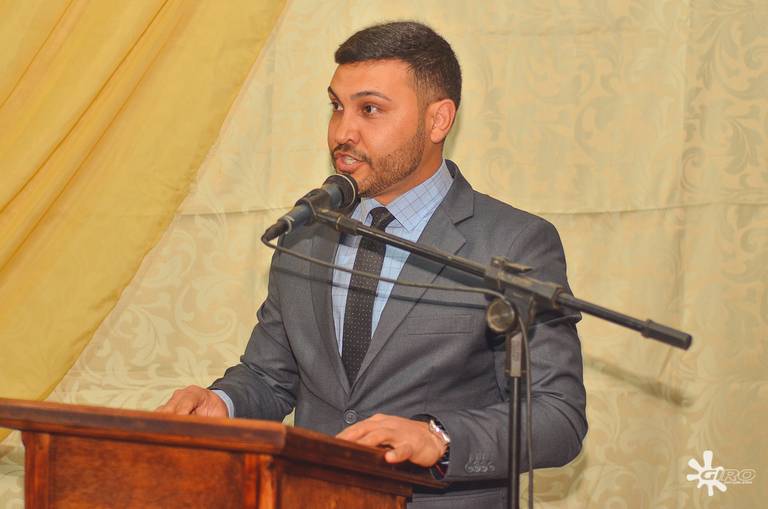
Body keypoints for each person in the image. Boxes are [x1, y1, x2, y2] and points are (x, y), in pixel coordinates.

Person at [158, 21, 587, 507]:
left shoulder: (512, 243)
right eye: (337, 107)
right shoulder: (307, 233)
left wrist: (439, 437)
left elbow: (558, 416)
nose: (343, 132)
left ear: (438, 120)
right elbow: (270, 376)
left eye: (370, 109)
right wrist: (224, 402)